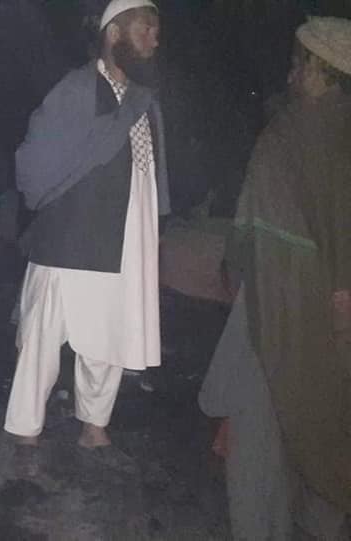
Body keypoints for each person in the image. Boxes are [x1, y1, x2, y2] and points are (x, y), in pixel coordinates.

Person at [199, 17, 351, 539]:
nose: (290, 74)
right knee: (321, 423)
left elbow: (252, 230)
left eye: (298, 64)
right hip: (332, 319)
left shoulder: (286, 135)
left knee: (260, 429)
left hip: (275, 308)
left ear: (319, 69)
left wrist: (237, 268)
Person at [7, 0, 170, 454]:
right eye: (145, 29)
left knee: (109, 334)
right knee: (43, 336)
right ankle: (26, 423)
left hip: (126, 238)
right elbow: (34, 162)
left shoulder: (145, 101)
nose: (154, 40)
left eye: (156, 31)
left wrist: (151, 228)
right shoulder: (76, 89)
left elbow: (151, 176)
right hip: (70, 236)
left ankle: (94, 423)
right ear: (114, 33)